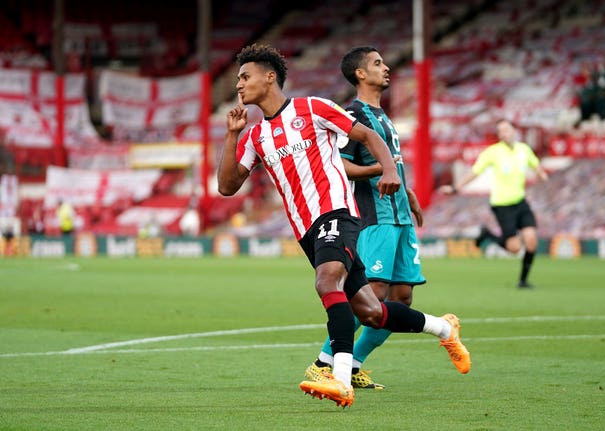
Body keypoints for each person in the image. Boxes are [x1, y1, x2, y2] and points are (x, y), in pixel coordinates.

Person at [218, 44, 470, 408]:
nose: (239, 86)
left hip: (338, 213)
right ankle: (445, 328)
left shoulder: (313, 108)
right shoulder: (256, 136)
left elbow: (366, 136)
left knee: (326, 282)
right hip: (307, 230)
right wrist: (232, 135)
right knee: (371, 310)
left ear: (269, 77)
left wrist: (387, 170)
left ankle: (338, 380)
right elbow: (227, 186)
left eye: (245, 77)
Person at [304, 46, 426, 390]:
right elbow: (339, 163)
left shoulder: (383, 116)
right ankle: (324, 363)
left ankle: (354, 363)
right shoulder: (352, 115)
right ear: (360, 73)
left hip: (399, 215)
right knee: (371, 291)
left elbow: (395, 165)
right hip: (373, 216)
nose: (386, 67)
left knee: (401, 297)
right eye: (377, 63)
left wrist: (409, 192)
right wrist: (378, 169)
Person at [440, 119, 548, 288]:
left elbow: (536, 164)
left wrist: (541, 173)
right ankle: (487, 234)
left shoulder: (524, 150)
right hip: (502, 204)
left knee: (532, 241)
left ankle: (523, 281)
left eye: (506, 129)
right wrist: (455, 188)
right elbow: (474, 172)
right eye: (500, 131)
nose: (503, 133)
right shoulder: (493, 152)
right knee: (514, 249)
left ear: (514, 131)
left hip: (520, 202)